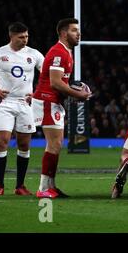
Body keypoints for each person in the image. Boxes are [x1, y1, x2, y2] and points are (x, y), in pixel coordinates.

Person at [0, 22, 44, 196]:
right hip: (5, 103)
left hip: (25, 103)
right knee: (3, 141)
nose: (25, 40)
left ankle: (20, 186)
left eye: (27, 36)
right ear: (11, 36)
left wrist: (37, 93)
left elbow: (47, 75)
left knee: (24, 144)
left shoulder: (34, 54)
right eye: (21, 37)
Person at [32, 18, 92, 199]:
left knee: (56, 144)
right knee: (54, 144)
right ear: (64, 33)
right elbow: (55, 82)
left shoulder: (66, 52)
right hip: (47, 100)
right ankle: (43, 187)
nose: (78, 34)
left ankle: (50, 185)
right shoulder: (59, 52)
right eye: (74, 30)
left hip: (53, 101)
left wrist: (73, 91)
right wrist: (78, 95)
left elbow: (61, 83)